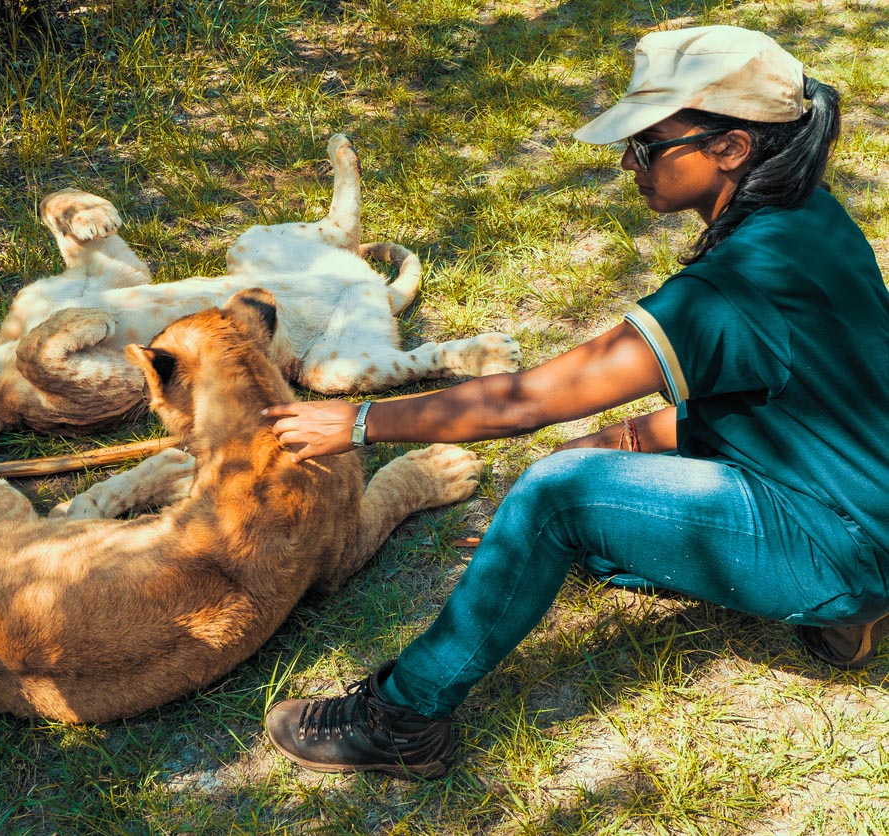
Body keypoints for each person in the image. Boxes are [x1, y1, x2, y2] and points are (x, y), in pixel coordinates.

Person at [261, 24, 889, 779]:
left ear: (732, 148)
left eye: (649, 143)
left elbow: (533, 400)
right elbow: (786, 400)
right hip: (856, 506)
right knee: (588, 506)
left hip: (842, 544)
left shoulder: (730, 286)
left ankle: (402, 718)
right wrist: (626, 441)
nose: (629, 161)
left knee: (556, 497)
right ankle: (849, 605)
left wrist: (360, 421)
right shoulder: (809, 217)